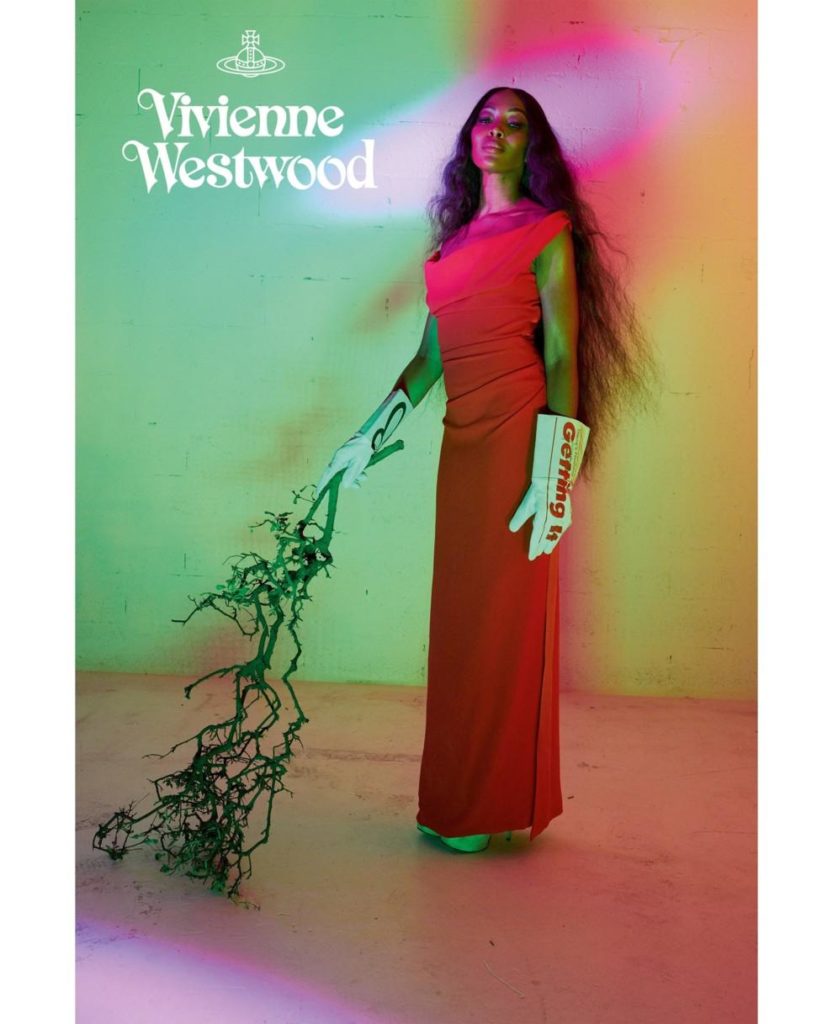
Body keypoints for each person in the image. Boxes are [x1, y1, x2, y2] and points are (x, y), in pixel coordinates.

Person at [316, 87, 653, 854]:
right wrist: (363, 438)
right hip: (461, 447)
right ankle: (458, 798)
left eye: (514, 122)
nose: (495, 130)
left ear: (530, 144)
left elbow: (561, 355)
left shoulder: (546, 232)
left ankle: (486, 804)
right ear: (468, 137)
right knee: (461, 624)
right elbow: (427, 361)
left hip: (518, 442)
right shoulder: (450, 247)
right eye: (485, 119)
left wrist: (552, 477)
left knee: (503, 623)